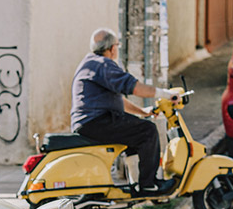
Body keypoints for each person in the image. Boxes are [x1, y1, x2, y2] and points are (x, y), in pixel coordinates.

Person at [70, 28, 177, 194]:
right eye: (117, 46)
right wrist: (167, 94)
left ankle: (135, 185)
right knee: (148, 131)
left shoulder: (89, 62)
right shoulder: (103, 64)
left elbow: (118, 99)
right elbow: (133, 87)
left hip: (91, 121)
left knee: (135, 134)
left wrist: (142, 112)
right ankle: (149, 185)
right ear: (112, 48)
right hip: (96, 121)